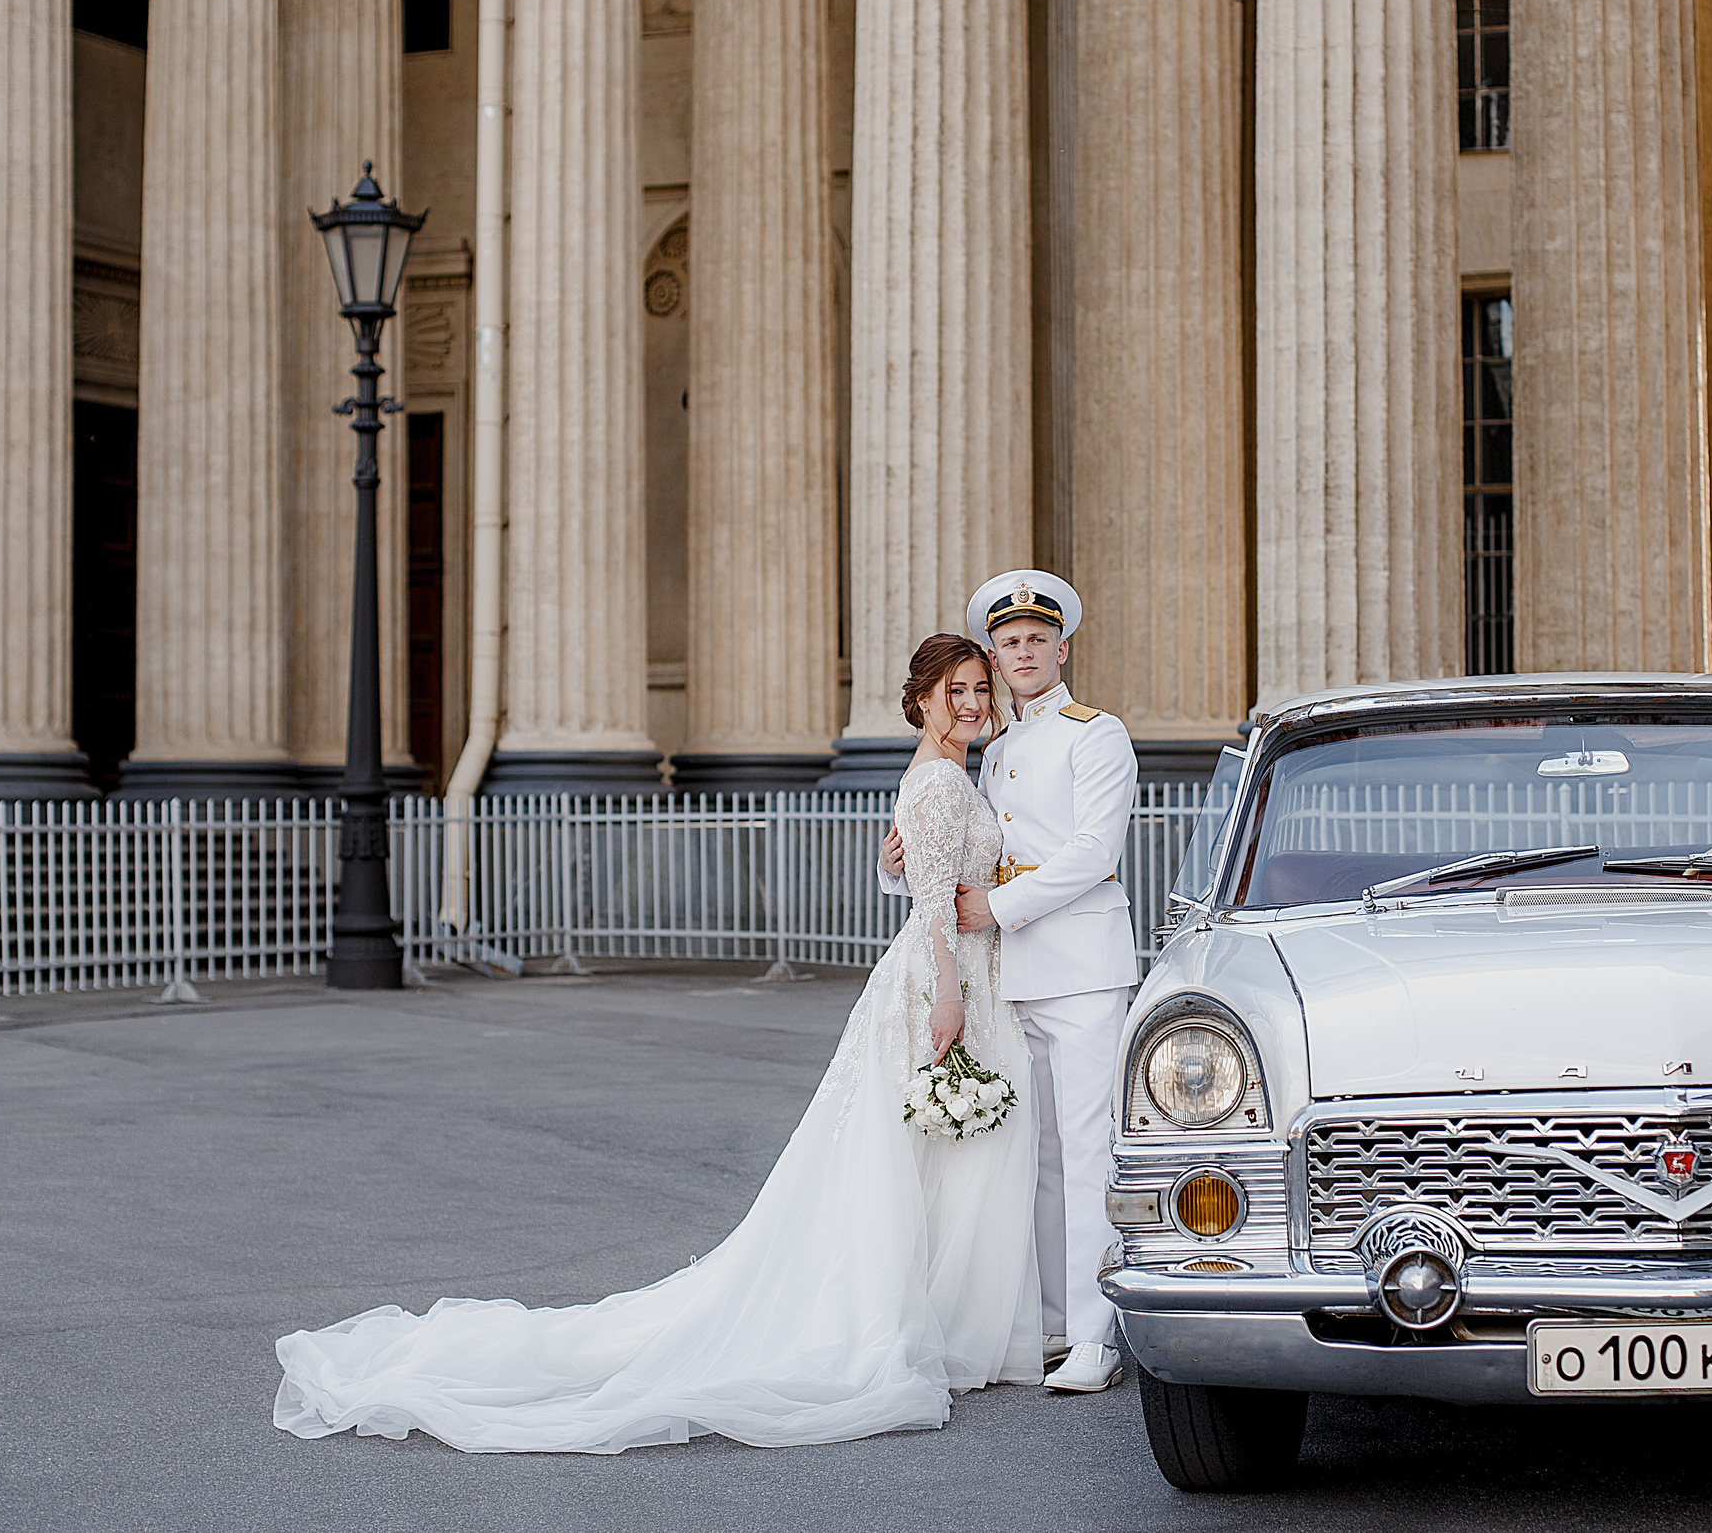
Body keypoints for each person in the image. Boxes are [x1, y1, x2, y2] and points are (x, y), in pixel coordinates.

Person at [272, 635, 1042, 1454]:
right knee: (918, 1153)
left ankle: (937, 1315)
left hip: (952, 970)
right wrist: (949, 996)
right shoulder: (939, 779)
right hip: (941, 979)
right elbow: (931, 901)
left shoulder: (948, 773)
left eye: (979, 688)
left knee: (926, 1155)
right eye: (955, 689)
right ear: (921, 699)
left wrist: (918, 890)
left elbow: (921, 875)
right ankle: (917, 1320)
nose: (971, 702)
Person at [879, 570, 1139, 1394]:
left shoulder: (1097, 735)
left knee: (1090, 1149)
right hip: (1009, 974)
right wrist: (899, 868)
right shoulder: (994, 750)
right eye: (1009, 642)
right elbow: (961, 852)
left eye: (1037, 639)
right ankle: (1056, 1322)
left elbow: (1093, 851)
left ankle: (1096, 1334)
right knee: (1041, 1158)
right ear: (994, 655)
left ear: (1061, 648)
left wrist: (996, 905)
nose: (1023, 653)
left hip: (1082, 968)